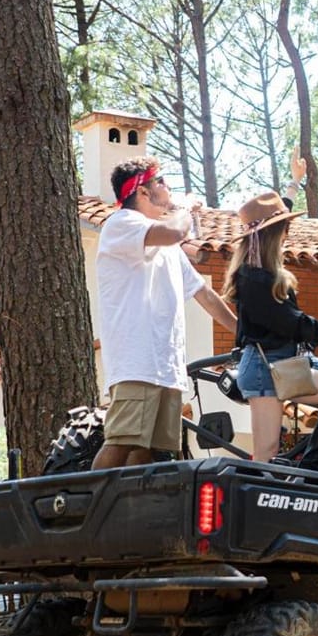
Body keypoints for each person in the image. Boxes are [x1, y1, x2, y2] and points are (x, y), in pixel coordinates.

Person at [92, 157, 237, 469]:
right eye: (161, 182)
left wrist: (242, 333)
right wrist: (185, 209)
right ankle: (88, 513)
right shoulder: (122, 224)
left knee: (149, 453)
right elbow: (174, 232)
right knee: (123, 441)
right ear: (142, 192)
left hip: (165, 366)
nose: (168, 188)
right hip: (136, 362)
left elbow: (205, 295)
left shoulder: (166, 245)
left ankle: (130, 515)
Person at [222, 151, 318, 463]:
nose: (288, 232)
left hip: (275, 365)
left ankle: (309, 468)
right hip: (267, 368)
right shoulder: (255, 278)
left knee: (266, 453)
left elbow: (278, 211)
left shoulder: (256, 268)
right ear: (273, 234)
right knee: (266, 452)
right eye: (283, 228)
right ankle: (311, 469)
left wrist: (293, 184)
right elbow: (289, 322)